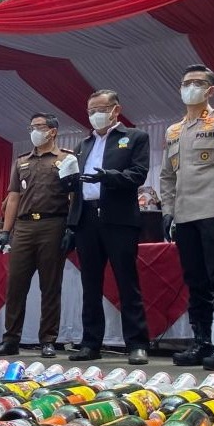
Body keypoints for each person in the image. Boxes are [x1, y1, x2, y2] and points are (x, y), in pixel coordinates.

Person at [64, 90, 150, 365]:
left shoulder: (135, 137)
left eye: (100, 109)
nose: (95, 115)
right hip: (86, 219)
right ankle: (91, 343)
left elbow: (138, 174)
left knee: (127, 282)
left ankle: (137, 343)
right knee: (90, 284)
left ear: (115, 110)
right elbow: (76, 187)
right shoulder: (83, 144)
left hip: (119, 218)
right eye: (90, 110)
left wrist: (108, 177)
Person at [161, 64, 214, 370]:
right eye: (185, 82)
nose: (190, 87)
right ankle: (202, 342)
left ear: (210, 90)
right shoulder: (173, 130)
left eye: (197, 83)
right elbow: (167, 177)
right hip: (185, 217)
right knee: (195, 282)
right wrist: (168, 212)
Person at [0, 113, 75, 359]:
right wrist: (5, 231)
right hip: (24, 227)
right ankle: (11, 339)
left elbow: (73, 195)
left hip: (54, 224)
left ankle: (48, 340)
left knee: (50, 285)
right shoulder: (21, 162)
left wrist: (71, 227)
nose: (35, 131)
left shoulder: (66, 158)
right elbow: (14, 197)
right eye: (32, 127)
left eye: (40, 127)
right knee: (15, 285)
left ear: (53, 131)